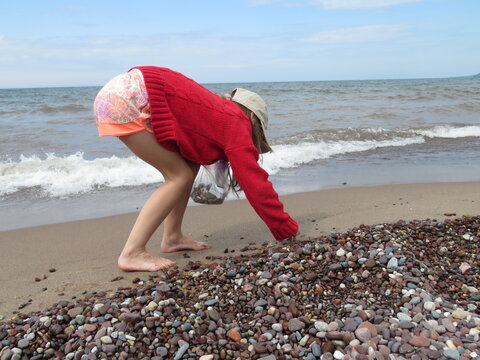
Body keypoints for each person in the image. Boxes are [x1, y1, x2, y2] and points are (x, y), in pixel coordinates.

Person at [94, 66, 299, 272]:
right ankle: (132, 253)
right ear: (254, 119)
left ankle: (172, 237)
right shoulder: (237, 122)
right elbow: (255, 184)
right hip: (130, 97)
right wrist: (284, 227)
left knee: (186, 171)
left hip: (121, 92)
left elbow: (188, 143)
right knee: (178, 176)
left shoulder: (214, 111)